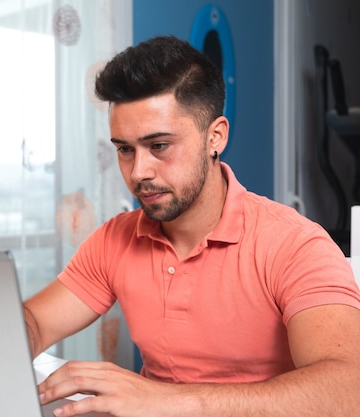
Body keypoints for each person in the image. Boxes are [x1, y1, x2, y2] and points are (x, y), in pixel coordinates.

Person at [23, 35, 360, 417]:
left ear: (215, 137)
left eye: (160, 146)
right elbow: (34, 321)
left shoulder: (295, 244)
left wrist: (166, 400)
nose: (139, 172)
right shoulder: (114, 239)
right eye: (125, 149)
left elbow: (348, 390)